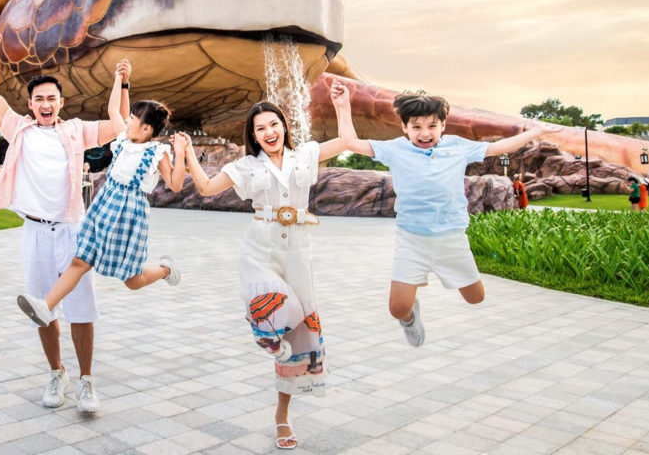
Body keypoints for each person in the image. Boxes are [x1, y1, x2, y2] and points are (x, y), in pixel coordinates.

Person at [177, 81, 354, 451]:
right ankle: (263, 330)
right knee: (276, 305)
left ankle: (282, 416)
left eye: (274, 124)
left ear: (284, 126)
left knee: (299, 338)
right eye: (260, 128)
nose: (269, 132)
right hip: (260, 247)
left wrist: (342, 105)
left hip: (298, 251)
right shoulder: (246, 166)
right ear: (253, 136)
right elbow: (207, 188)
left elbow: (347, 141)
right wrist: (189, 152)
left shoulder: (304, 155)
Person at [0, 28, 132, 413]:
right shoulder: (19, 129)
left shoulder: (77, 130)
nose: (46, 104)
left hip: (72, 232)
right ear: (30, 104)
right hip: (34, 232)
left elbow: (119, 125)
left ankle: (87, 381)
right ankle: (56, 371)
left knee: (82, 308)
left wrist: (123, 85)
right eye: (39, 99)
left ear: (61, 103)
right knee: (42, 308)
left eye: (52, 99)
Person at [340, 90, 562, 349]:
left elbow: (498, 148)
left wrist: (536, 131)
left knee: (475, 298)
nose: (425, 133)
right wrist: (342, 104)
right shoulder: (395, 149)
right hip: (411, 239)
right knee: (398, 308)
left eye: (432, 126)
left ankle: (433, 290)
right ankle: (411, 317)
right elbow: (350, 142)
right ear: (404, 127)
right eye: (417, 127)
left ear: (443, 125)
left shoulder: (457, 147)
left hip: (452, 239)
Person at [16, 71, 188, 327]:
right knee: (80, 260)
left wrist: (181, 153)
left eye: (133, 119)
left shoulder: (157, 152)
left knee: (132, 280)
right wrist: (121, 80)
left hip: (129, 216)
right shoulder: (123, 140)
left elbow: (175, 183)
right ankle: (46, 306)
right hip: (104, 206)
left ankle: (165, 270)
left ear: (146, 128)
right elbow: (113, 110)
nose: (127, 121)